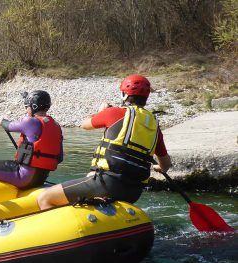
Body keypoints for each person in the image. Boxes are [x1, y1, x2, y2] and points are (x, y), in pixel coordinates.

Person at [37, 74, 172, 210]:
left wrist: (101, 112)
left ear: (124, 95)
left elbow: (84, 125)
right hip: (133, 192)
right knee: (91, 176)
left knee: (45, 198)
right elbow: (166, 164)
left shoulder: (114, 112)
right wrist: (160, 168)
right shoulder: (154, 125)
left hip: (108, 184)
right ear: (146, 97)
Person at [0, 90, 63, 189]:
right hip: (40, 179)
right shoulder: (56, 126)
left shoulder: (30, 121)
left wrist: (1, 121)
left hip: (23, 177)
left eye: (27, 107)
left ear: (34, 106)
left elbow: (8, 126)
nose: (26, 110)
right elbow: (59, 158)